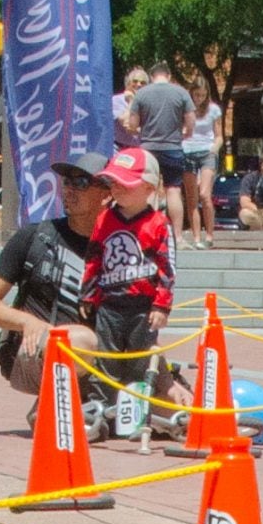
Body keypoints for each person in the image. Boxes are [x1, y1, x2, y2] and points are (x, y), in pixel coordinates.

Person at [0, 150, 108, 395]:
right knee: (81, 341)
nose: (69, 190)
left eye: (80, 183)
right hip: (33, 350)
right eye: (67, 182)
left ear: (106, 195)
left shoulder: (115, 247)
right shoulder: (36, 235)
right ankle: (56, 406)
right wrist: (27, 321)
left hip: (100, 359)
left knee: (169, 406)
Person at [82, 148, 177, 436]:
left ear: (148, 187)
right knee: (105, 359)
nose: (117, 189)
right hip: (110, 304)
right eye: (114, 183)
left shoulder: (158, 224)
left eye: (126, 183)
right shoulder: (104, 219)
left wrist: (161, 306)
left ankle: (134, 417)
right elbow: (94, 258)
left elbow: (167, 270)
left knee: (138, 362)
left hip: (142, 307)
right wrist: (88, 295)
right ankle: (101, 414)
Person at [127, 64, 195, 242]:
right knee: (173, 190)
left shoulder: (142, 94)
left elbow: (132, 124)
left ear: (151, 76)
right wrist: (184, 133)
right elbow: (191, 122)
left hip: (148, 148)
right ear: (169, 75)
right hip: (173, 147)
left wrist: (141, 130)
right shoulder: (181, 93)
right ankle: (178, 236)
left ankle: (145, 234)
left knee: (148, 190)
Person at [182, 91, 222, 249]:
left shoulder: (213, 110)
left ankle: (210, 236)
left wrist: (214, 149)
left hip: (207, 152)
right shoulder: (185, 109)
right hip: (188, 151)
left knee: (205, 194)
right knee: (192, 197)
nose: (199, 98)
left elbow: (219, 135)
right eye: (196, 95)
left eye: (203, 95)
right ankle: (197, 237)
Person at [110, 67, 148, 150]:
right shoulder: (116, 100)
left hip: (140, 149)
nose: (139, 84)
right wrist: (131, 101)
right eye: (135, 81)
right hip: (119, 148)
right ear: (128, 83)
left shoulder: (149, 104)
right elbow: (125, 122)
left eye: (143, 82)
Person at [234, 159, 263, 232]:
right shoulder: (250, 178)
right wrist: (259, 213)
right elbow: (244, 202)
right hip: (258, 211)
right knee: (245, 213)